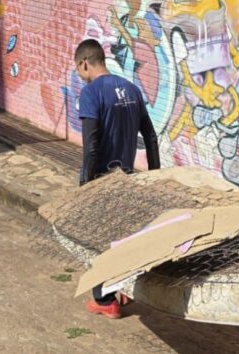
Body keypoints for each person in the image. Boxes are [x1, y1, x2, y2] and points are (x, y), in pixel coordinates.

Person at [74, 39, 161, 319]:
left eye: (78, 68)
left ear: (84, 63)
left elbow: (91, 145)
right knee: (121, 239)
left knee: (98, 243)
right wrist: (154, 176)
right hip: (126, 179)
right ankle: (121, 291)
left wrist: (86, 185)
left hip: (101, 179)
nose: (79, 73)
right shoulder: (132, 89)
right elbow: (150, 136)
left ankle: (105, 300)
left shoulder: (91, 93)